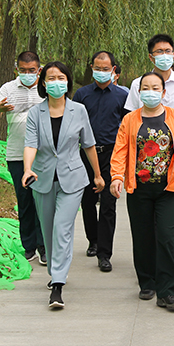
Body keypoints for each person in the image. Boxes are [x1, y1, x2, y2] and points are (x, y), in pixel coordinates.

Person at [22, 61, 105, 309]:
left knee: (62, 228)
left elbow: (88, 144)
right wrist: (27, 169)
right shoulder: (36, 113)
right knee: (48, 231)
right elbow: (31, 144)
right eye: (51, 78)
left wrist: (98, 175)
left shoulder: (78, 110)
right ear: (43, 83)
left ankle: (57, 284)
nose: (56, 82)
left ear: (67, 81)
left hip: (73, 178)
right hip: (43, 178)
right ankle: (55, 272)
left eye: (61, 78)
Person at [110, 71, 174, 310]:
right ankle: (147, 282)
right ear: (139, 92)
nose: (150, 92)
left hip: (169, 189)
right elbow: (120, 151)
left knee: (167, 238)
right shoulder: (130, 120)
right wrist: (116, 177)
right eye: (145, 88)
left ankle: (168, 292)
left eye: (155, 88)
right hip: (138, 189)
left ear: (163, 92)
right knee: (143, 236)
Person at [125, 34, 174, 217]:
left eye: (167, 51)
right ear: (151, 56)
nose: (164, 55)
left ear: (173, 55)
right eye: (159, 51)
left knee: (170, 205)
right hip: (146, 154)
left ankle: (173, 215)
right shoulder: (138, 83)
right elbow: (129, 119)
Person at [0, 51, 46, 265]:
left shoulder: (46, 88)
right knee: (24, 201)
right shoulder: (8, 89)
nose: (27, 74)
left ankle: (44, 246)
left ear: (39, 70)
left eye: (32, 71)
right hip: (16, 154)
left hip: (42, 155)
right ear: (17, 69)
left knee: (41, 200)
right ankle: (29, 246)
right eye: (23, 70)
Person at [73, 51, 127, 272]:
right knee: (87, 201)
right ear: (92, 67)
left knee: (108, 204)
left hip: (111, 155)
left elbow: (127, 127)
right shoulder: (81, 95)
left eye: (106, 69)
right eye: (97, 67)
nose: (101, 72)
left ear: (113, 70)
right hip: (85, 154)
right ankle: (93, 240)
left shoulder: (122, 96)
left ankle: (105, 253)